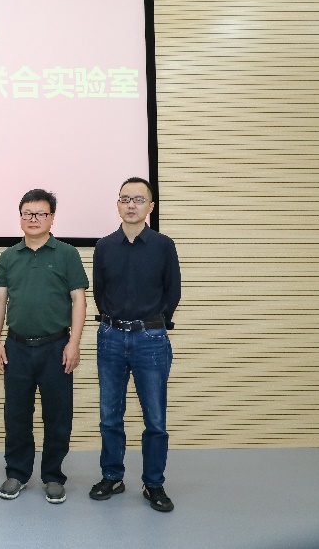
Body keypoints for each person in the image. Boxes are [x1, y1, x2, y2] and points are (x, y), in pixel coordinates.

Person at [0, 188, 88, 504]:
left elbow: (79, 299)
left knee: (58, 415)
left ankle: (53, 476)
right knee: (16, 414)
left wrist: (74, 342)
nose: (34, 219)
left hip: (56, 347)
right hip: (16, 347)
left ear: (51, 217)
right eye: (28, 214)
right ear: (20, 217)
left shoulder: (67, 254)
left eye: (41, 214)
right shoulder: (8, 256)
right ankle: (17, 473)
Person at [89, 177, 181, 512]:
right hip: (111, 337)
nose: (131, 205)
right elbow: (100, 293)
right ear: (118, 204)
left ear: (150, 207)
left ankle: (153, 483)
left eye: (139, 200)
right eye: (125, 199)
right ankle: (112, 476)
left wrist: (150, 323)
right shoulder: (104, 247)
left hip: (150, 339)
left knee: (155, 420)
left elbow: (173, 292)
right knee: (109, 416)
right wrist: (117, 322)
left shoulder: (163, 245)